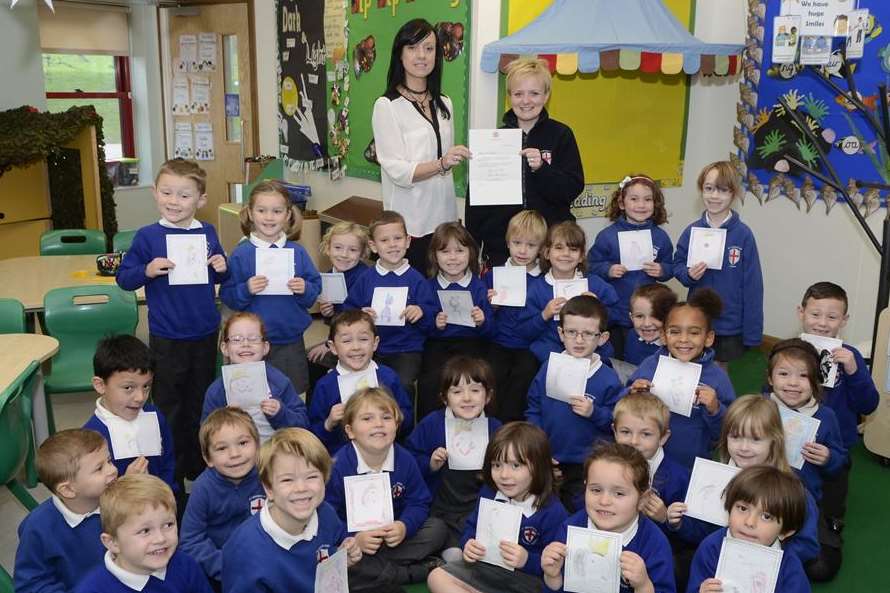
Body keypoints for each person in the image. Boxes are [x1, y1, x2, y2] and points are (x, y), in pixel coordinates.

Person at [116, 158, 228, 484]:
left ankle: (197, 462)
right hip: (167, 336)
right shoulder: (147, 236)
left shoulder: (207, 233)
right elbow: (124, 278)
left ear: (201, 200)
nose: (174, 202)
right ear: (155, 193)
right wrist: (146, 270)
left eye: (183, 195)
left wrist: (223, 265)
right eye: (167, 193)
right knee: (168, 405)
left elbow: (223, 269)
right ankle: (173, 470)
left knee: (200, 400)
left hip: (205, 332)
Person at [667, 395, 822, 586]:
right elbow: (701, 534)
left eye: (755, 439)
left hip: (768, 570)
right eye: (735, 437)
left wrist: (764, 554)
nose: (744, 447)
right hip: (717, 558)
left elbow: (808, 545)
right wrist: (679, 524)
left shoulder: (793, 491)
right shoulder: (712, 478)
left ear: (774, 440)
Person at [325, 388, 448, 592]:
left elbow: (419, 502)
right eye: (367, 418)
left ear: (396, 425)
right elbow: (327, 514)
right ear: (350, 431)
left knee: (437, 529)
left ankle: (377, 570)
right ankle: (406, 573)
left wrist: (403, 526)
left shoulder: (405, 459)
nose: (379, 424)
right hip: (356, 543)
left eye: (386, 417)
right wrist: (355, 537)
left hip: (394, 538)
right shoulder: (338, 465)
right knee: (335, 556)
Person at [372, 18, 470, 271]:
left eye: (429, 48)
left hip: (444, 221)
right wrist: (441, 163)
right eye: (413, 48)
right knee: (413, 301)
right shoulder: (387, 105)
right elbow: (397, 170)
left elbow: (446, 165)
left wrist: (451, 162)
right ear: (400, 55)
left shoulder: (445, 102)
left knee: (441, 300)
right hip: (410, 226)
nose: (422, 56)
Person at [466, 57, 584, 267]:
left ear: (546, 95)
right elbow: (476, 201)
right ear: (509, 96)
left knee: (547, 300)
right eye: (518, 93)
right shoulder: (493, 140)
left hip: (550, 247)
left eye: (534, 93)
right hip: (502, 248)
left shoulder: (561, 135)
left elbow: (572, 188)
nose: (526, 100)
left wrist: (541, 169)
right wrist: (474, 247)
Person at [427, 422, 567, 593]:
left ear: (538, 466)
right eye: (497, 465)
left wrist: (527, 560)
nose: (504, 475)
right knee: (437, 577)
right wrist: (468, 544)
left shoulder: (552, 511)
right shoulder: (489, 493)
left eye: (516, 465)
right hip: (485, 570)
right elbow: (472, 527)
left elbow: (557, 569)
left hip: (527, 581)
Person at [221, 428, 361, 593]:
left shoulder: (325, 513)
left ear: (325, 479)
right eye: (287, 480)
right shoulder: (244, 550)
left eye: (311, 477)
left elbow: (333, 544)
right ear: (269, 489)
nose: (301, 488)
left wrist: (342, 555)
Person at [220, 180, 322, 396]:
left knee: (291, 394)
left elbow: (313, 291)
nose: (269, 217)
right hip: (251, 343)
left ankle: (290, 431)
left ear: (287, 215)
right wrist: (246, 289)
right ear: (250, 213)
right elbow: (227, 296)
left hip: (289, 340)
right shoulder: (242, 253)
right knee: (251, 396)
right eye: (262, 210)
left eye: (277, 211)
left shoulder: (298, 252)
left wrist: (304, 288)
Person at [527, 295, 623, 510]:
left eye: (588, 334)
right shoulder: (549, 368)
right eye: (571, 332)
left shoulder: (608, 378)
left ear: (603, 338)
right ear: (561, 334)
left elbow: (617, 423)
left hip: (587, 465)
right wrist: (539, 451)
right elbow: (533, 409)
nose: (579, 340)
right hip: (548, 459)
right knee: (544, 511)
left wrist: (594, 412)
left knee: (578, 513)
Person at [797, 281, 878, 533]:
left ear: (844, 320)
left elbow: (868, 404)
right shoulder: (791, 352)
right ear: (801, 312)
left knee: (832, 494)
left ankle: (832, 517)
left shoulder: (850, 357)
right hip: (796, 440)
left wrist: (854, 371)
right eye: (815, 314)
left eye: (832, 317)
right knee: (794, 490)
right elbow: (768, 394)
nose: (822, 323)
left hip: (838, 444)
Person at [540, 442, 676, 593]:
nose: (604, 501)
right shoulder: (571, 529)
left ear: (642, 500)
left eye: (619, 493)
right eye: (596, 490)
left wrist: (643, 585)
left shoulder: (654, 544)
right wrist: (552, 576)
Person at [406, 355, 503, 558]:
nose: (467, 398)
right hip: (441, 509)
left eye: (475, 391)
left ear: (488, 396)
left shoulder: (496, 429)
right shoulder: (432, 423)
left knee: (483, 554)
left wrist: (492, 470)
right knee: (454, 556)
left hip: (479, 509)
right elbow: (409, 460)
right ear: (444, 398)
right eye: (457, 392)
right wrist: (430, 463)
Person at [626, 289, 736, 469]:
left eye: (694, 333)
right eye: (675, 332)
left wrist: (715, 408)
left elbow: (727, 431)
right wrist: (632, 392)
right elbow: (625, 401)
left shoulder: (717, 378)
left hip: (690, 463)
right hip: (644, 459)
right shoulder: (651, 365)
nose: (684, 340)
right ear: (663, 335)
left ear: (708, 338)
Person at [672, 161, 763, 368]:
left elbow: (753, 285)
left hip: (730, 324)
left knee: (720, 372)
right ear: (701, 190)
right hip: (698, 318)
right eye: (709, 188)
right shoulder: (691, 231)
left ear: (733, 193)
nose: (714, 196)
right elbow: (677, 265)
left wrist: (752, 333)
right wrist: (688, 275)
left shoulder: (743, 235)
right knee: (694, 367)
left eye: (722, 190)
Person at [343, 210, 438, 403]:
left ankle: (404, 429)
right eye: (384, 240)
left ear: (408, 241)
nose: (393, 244)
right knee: (363, 387)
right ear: (373, 246)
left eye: (397, 238)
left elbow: (432, 323)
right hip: (369, 349)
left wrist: (421, 313)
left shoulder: (418, 280)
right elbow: (346, 313)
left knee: (402, 385)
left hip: (406, 350)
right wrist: (359, 315)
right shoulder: (365, 279)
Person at [14, 429, 118, 593]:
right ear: (68, 490)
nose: (112, 470)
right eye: (99, 468)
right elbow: (31, 585)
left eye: (109, 461)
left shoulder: (121, 503)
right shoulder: (38, 528)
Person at [74, 474, 213, 593]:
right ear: (112, 542)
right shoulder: (92, 589)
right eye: (145, 531)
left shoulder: (186, 565)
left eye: (168, 525)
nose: (160, 538)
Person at [587, 174, 674, 359]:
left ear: (655, 203)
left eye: (647, 199)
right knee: (616, 357)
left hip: (647, 316)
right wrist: (608, 270)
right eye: (634, 199)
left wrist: (662, 270)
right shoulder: (607, 236)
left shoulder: (660, 237)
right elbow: (590, 265)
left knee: (645, 357)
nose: (641, 205)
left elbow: (670, 265)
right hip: (616, 312)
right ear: (621, 203)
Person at [686, 466, 811, 593]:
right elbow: (694, 587)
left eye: (766, 517)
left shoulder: (789, 566)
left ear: (785, 531)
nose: (749, 522)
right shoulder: (712, 547)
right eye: (742, 508)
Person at [180, 408, 265, 586]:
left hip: (266, 562)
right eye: (222, 448)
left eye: (242, 443)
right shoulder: (203, 488)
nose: (234, 454)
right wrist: (225, 566)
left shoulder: (268, 476)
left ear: (257, 446)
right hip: (221, 570)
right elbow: (191, 540)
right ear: (208, 458)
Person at [309, 310, 414, 454]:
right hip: (342, 457)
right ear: (333, 347)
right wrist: (329, 422)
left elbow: (407, 419)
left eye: (363, 339)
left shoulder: (388, 376)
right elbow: (313, 434)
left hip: (386, 452)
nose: (356, 347)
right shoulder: (325, 385)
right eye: (346, 341)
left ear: (375, 343)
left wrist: (396, 414)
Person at [417, 222, 493, 418]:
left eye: (459, 251)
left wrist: (481, 321)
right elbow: (422, 325)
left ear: (470, 253)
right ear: (435, 256)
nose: (453, 258)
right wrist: (435, 324)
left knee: (474, 378)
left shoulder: (479, 287)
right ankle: (431, 427)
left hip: (472, 343)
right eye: (445, 252)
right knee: (431, 381)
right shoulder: (428, 287)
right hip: (438, 343)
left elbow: (491, 329)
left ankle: (477, 423)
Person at [83, 335, 175, 490]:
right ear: (100, 385)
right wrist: (125, 485)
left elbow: (168, 462)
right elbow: (92, 494)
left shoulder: (155, 416)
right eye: (128, 388)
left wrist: (166, 494)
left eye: (146, 386)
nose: (140, 398)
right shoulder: (89, 438)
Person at [520, 221, 620, 363]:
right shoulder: (537, 288)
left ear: (581, 256)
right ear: (547, 253)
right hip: (552, 351)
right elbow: (524, 331)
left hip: (592, 349)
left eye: (573, 249)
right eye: (559, 248)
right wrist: (544, 314)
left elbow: (620, 315)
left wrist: (599, 307)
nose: (566, 254)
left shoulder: (595, 284)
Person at [201, 312, 309, 443]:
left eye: (253, 339)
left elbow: (303, 422)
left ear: (265, 347)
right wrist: (224, 419)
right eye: (236, 339)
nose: (245, 344)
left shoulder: (279, 381)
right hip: (236, 457)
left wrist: (280, 412)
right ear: (225, 348)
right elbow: (206, 435)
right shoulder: (217, 390)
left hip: (276, 453)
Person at [482, 209, 547, 421]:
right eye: (517, 243)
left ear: (541, 249)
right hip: (498, 342)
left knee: (524, 378)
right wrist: (490, 307)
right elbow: (482, 318)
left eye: (531, 245)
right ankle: (491, 425)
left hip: (529, 346)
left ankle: (514, 427)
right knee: (491, 377)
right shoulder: (494, 275)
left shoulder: (543, 280)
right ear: (508, 242)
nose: (523, 250)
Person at [766, 339, 846, 503]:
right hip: (758, 490)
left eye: (803, 375)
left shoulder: (826, 417)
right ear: (770, 379)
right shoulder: (759, 408)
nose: (793, 383)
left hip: (803, 497)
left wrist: (828, 458)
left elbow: (840, 460)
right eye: (783, 374)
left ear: (816, 381)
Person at [307, 222, 371, 387]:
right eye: (338, 248)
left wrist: (329, 344)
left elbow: (356, 320)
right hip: (340, 337)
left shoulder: (365, 277)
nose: (344, 254)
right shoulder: (329, 276)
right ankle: (319, 410)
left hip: (359, 340)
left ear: (363, 253)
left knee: (315, 358)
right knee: (310, 356)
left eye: (352, 250)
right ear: (328, 248)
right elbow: (335, 318)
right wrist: (328, 313)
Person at [624, 284, 678, 366]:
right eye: (639, 316)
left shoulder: (677, 347)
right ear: (631, 318)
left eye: (655, 316)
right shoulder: (631, 336)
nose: (647, 324)